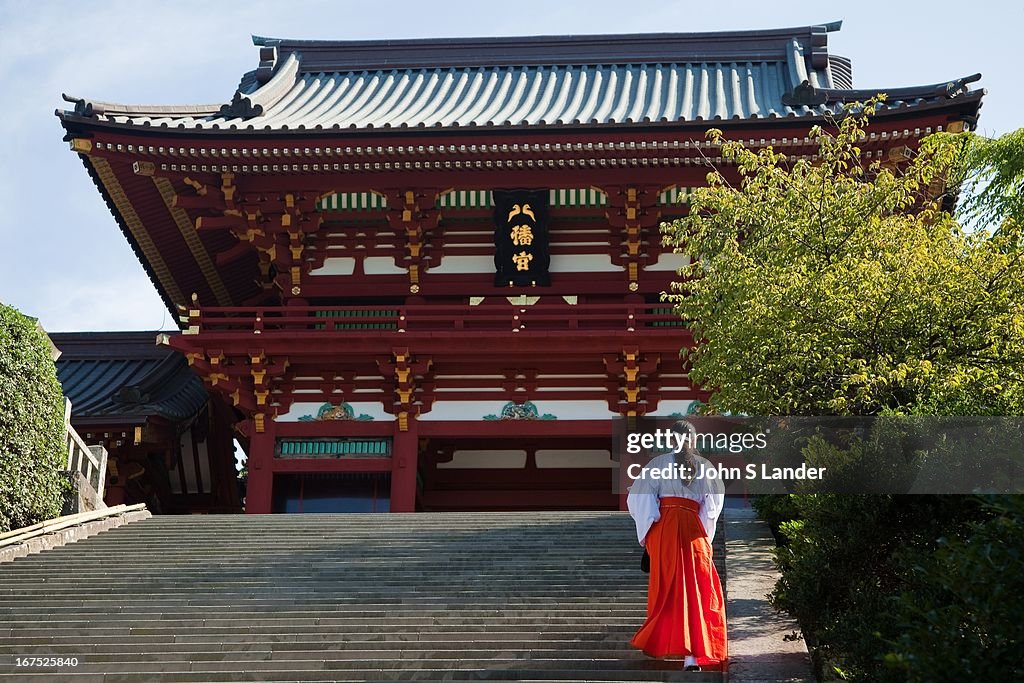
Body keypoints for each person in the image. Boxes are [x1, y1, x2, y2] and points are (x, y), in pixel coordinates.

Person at [626, 419, 727, 671]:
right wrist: (704, 534)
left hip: (665, 530)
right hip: (694, 529)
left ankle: (664, 642)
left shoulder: (657, 464)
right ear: (694, 440)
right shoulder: (705, 467)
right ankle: (692, 656)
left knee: (668, 588)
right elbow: (712, 508)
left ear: (671, 440)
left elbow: (640, 501)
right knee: (696, 589)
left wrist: (649, 531)